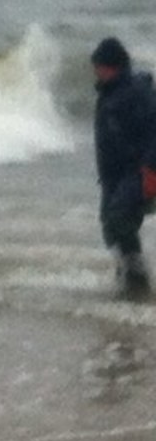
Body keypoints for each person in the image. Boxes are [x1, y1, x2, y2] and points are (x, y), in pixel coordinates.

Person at [92, 37, 156, 299]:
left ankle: (137, 280)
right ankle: (126, 274)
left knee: (119, 217)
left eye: (99, 66)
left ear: (112, 66)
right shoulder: (108, 92)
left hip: (140, 169)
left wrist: (151, 169)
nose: (95, 71)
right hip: (114, 176)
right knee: (110, 225)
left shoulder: (136, 90)